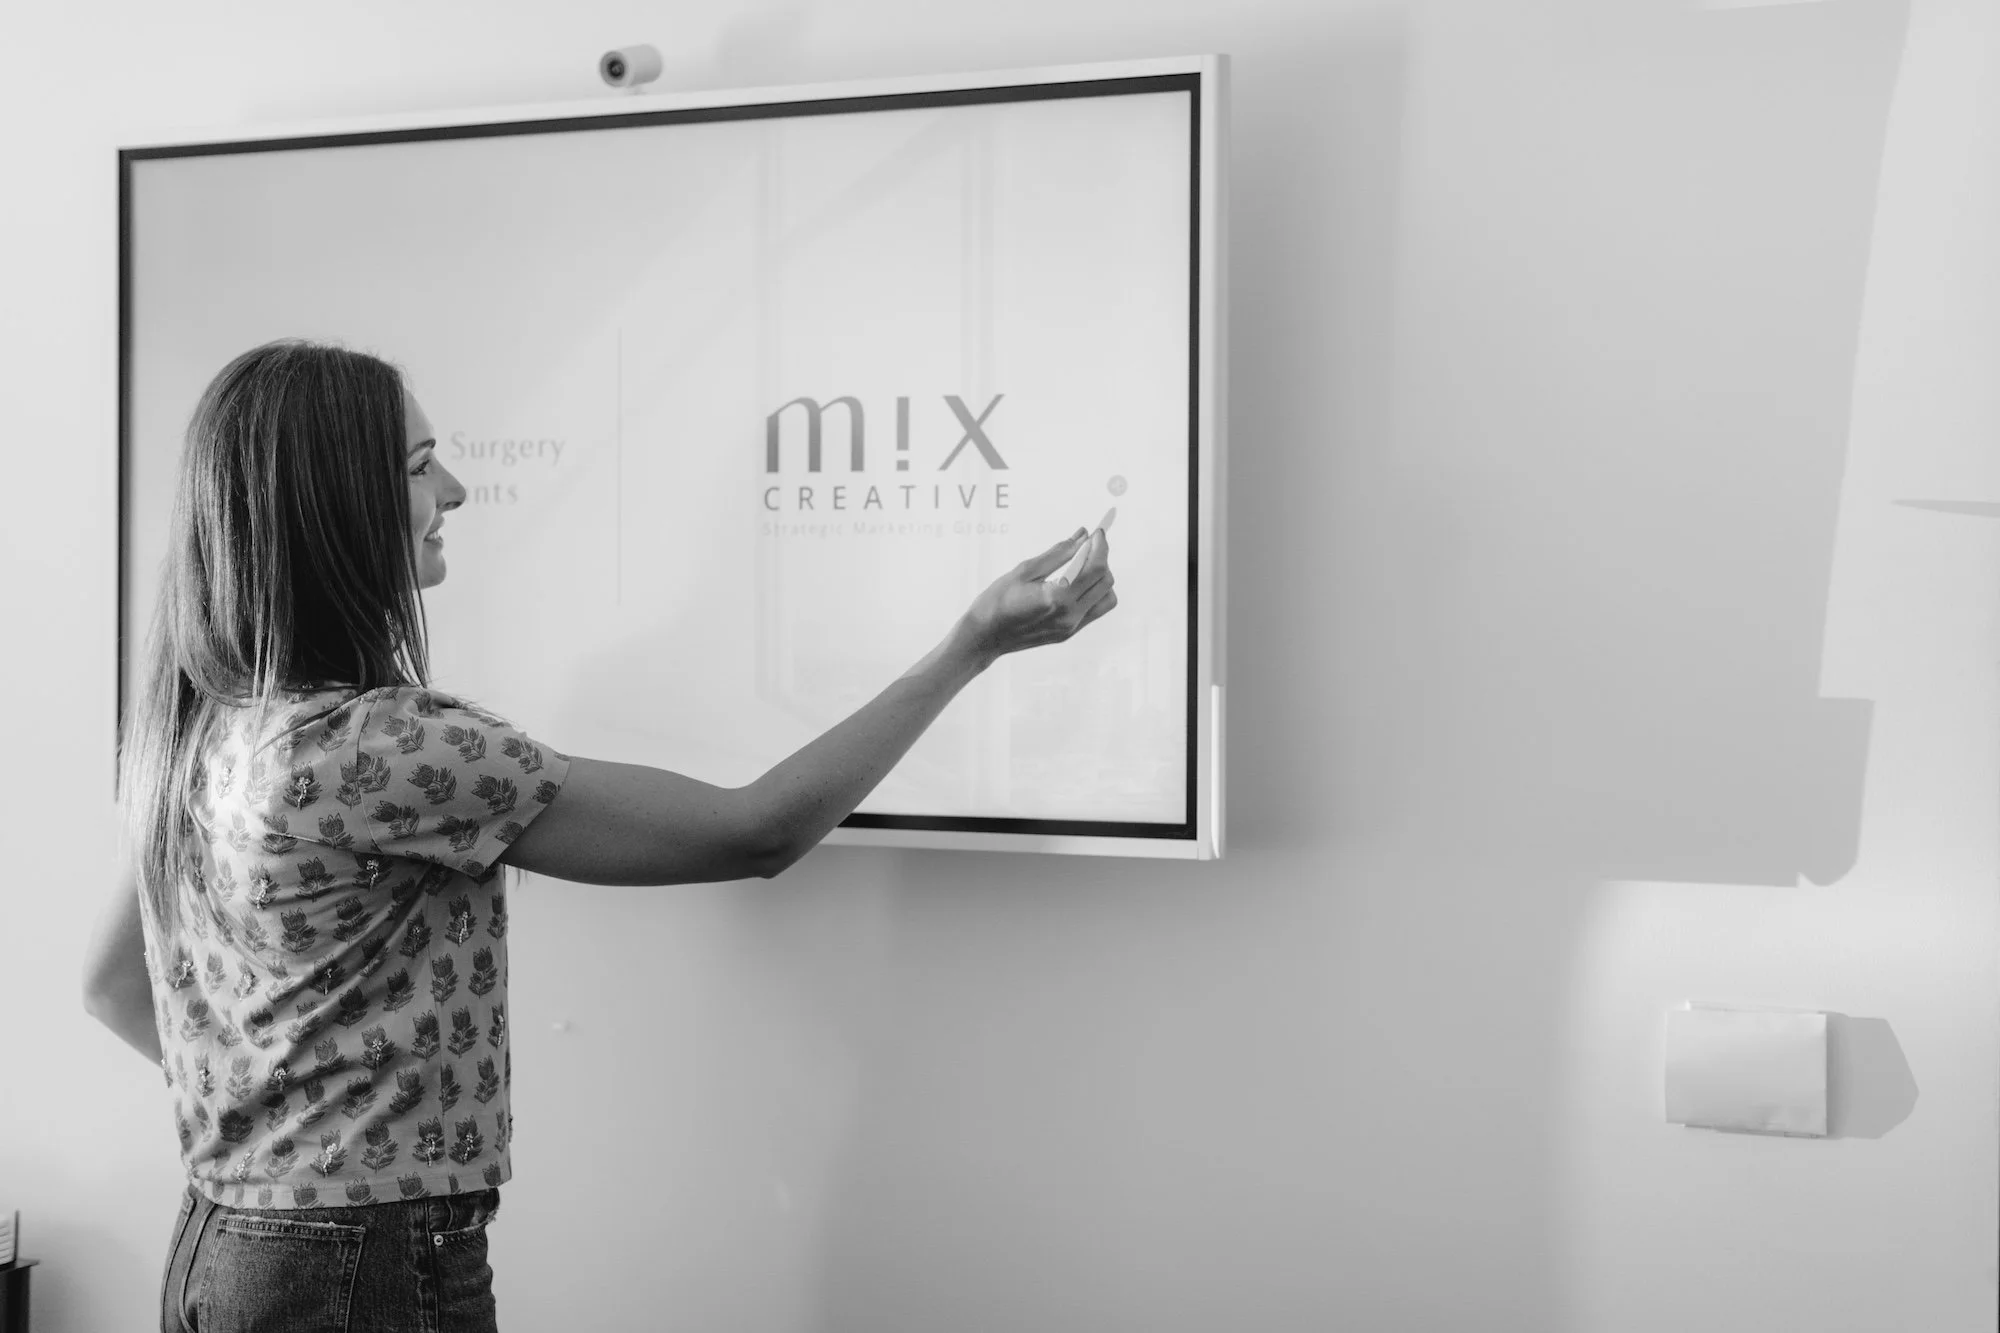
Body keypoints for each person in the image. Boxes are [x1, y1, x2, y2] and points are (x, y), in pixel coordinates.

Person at [79, 339, 1117, 1333]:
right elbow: (758, 831)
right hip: (358, 1267)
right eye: (421, 465)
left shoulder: (201, 724)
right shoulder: (390, 746)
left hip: (218, 1248)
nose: (455, 492)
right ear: (335, 505)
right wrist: (971, 645)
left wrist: (286, 1130)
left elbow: (113, 986)